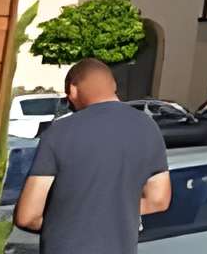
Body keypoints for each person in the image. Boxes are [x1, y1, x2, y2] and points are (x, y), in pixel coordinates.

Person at [14, 58, 171, 253]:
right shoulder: (148, 128)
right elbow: (159, 200)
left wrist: (68, 223)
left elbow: (27, 216)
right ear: (113, 86)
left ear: (72, 90)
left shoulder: (60, 132)